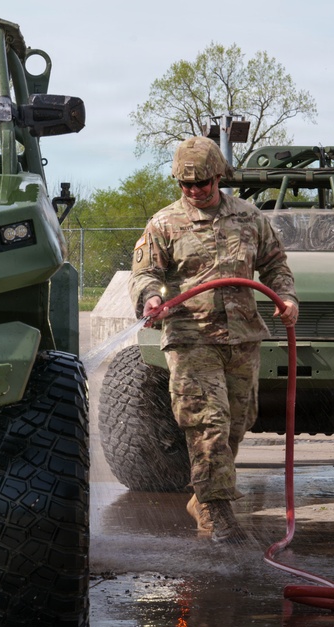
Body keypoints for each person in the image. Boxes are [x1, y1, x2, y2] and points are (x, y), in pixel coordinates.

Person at [128, 136, 299, 543]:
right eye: (186, 185)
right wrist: (152, 297)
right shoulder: (164, 224)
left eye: (202, 183)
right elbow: (144, 274)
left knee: (238, 422)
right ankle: (217, 514)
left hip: (241, 338)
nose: (194, 191)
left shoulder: (249, 217)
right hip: (191, 338)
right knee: (209, 423)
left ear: (219, 176)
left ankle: (204, 495)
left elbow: (275, 264)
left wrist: (287, 297)